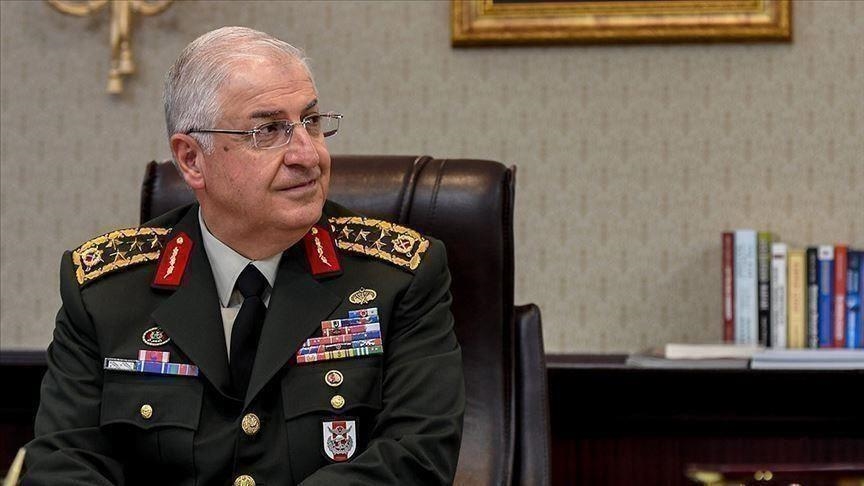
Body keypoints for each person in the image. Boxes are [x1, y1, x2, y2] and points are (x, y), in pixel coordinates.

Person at [23, 26, 464, 486]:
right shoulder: (105, 293)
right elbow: (63, 466)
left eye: (311, 121)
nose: (308, 154)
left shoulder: (398, 278)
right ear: (192, 159)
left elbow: (415, 459)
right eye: (269, 130)